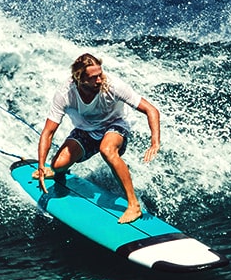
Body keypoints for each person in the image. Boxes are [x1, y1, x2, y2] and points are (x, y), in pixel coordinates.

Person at [32, 53, 161, 224]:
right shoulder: (65, 94)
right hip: (87, 130)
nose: (100, 80)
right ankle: (54, 172)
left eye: (100, 74)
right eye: (94, 77)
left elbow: (151, 110)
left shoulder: (113, 85)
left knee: (107, 149)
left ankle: (133, 205)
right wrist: (41, 165)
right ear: (80, 79)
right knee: (57, 166)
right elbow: (48, 132)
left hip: (116, 125)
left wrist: (155, 142)